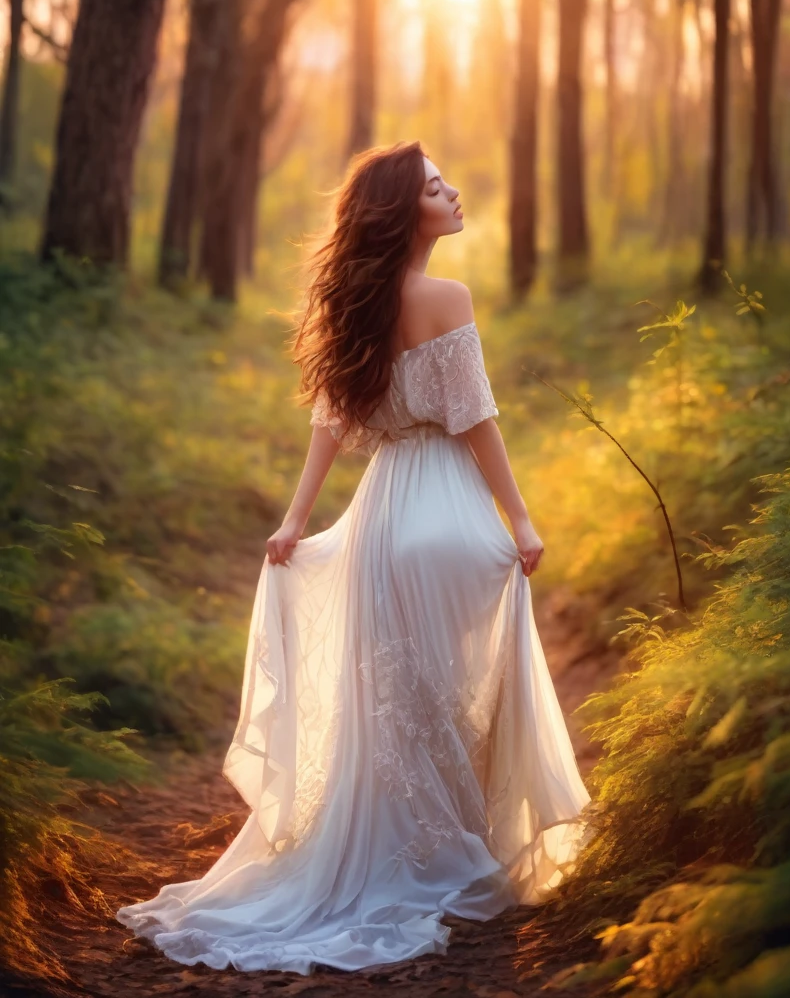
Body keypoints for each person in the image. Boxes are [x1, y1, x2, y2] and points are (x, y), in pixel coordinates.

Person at [116, 141, 591, 975]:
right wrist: (519, 517)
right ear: (410, 212)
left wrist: (296, 519)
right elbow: (476, 421)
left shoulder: (359, 312)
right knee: (457, 689)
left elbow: (330, 427)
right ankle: (456, 850)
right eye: (438, 186)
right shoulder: (448, 297)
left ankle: (400, 848)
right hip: (445, 511)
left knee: (395, 697)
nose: (454, 191)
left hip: (380, 522)